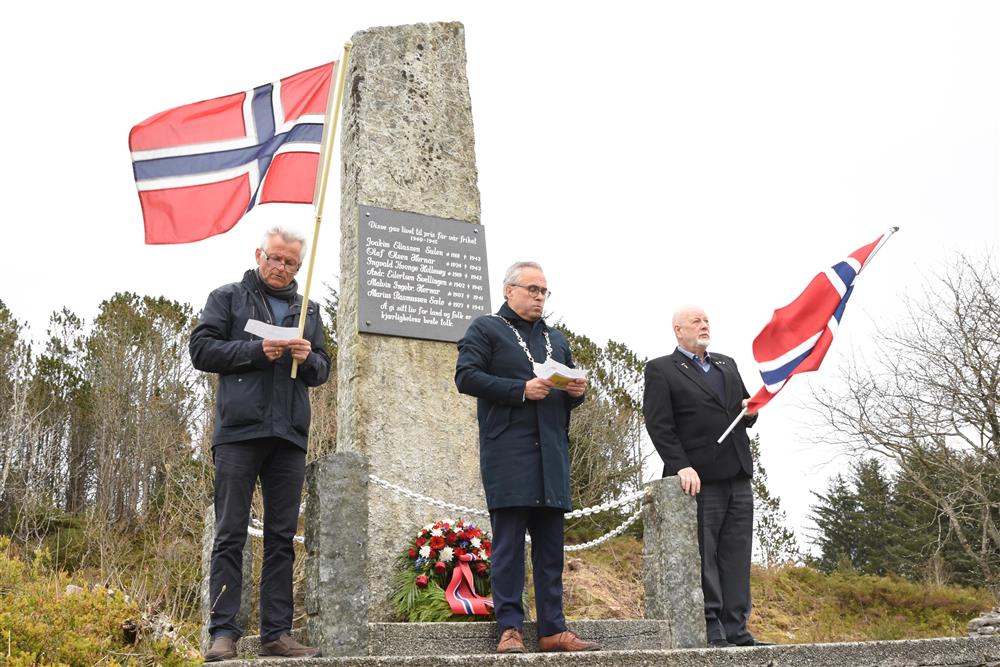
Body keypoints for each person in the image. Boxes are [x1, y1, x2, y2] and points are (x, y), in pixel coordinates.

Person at [190, 225, 330, 661]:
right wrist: (256, 351)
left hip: (288, 436)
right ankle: (224, 632)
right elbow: (201, 350)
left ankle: (276, 633)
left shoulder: (309, 309)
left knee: (281, 538)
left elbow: (324, 368)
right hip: (238, 433)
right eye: (274, 258)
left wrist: (309, 359)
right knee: (230, 533)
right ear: (259, 255)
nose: (280, 267)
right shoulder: (227, 297)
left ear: (298, 266)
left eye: (290, 262)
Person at [455, 261, 599, 654]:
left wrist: (576, 391)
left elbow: (568, 389)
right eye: (532, 290)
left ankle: (553, 629)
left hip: (552, 455)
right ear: (509, 291)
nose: (539, 297)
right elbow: (465, 377)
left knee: (551, 549)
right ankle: (510, 629)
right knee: (508, 548)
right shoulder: (485, 329)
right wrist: (520, 390)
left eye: (543, 292)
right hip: (509, 453)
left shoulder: (557, 338)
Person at [642, 305, 770, 649]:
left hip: (738, 472)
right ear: (678, 330)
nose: (704, 325)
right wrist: (681, 465)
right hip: (697, 478)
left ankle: (737, 628)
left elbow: (742, 411)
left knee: (736, 554)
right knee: (704, 555)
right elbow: (659, 424)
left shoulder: (726, 363)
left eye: (707, 320)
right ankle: (712, 627)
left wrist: (752, 409)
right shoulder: (661, 369)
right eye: (696, 321)